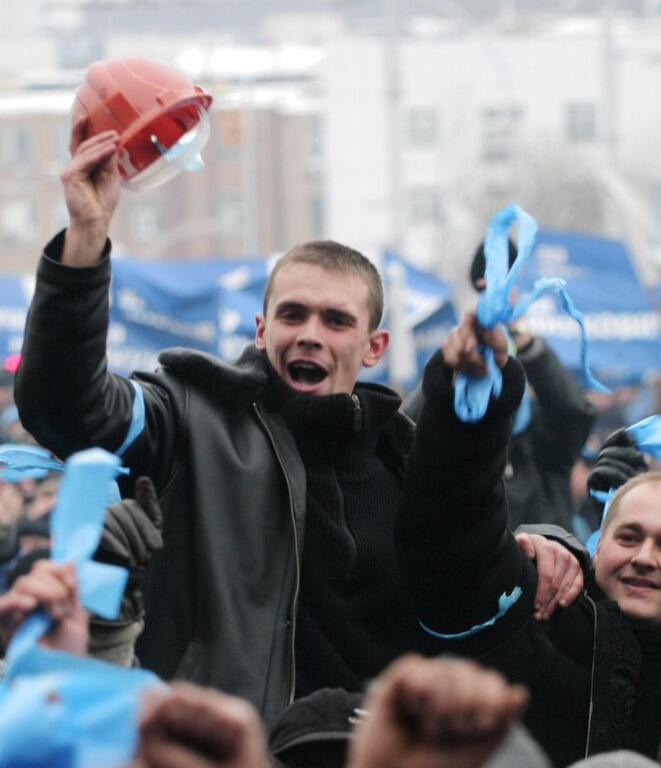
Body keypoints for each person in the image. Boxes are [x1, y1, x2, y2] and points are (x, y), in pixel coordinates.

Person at [15, 125, 580, 725]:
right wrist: (85, 239)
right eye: (293, 314)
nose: (310, 332)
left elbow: (471, 540)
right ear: (262, 332)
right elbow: (68, 407)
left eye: (337, 320)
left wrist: (550, 544)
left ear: (373, 346)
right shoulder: (189, 421)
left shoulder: (406, 456)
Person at [395, 313, 661, 768]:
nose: (643, 558)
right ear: (596, 546)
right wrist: (471, 409)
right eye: (629, 537)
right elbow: (450, 536)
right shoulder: (537, 615)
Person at [403, 239, 596, 531]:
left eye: (506, 372)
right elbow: (404, 432)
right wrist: (451, 360)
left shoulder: (542, 448)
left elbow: (573, 411)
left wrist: (524, 341)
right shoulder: (454, 451)